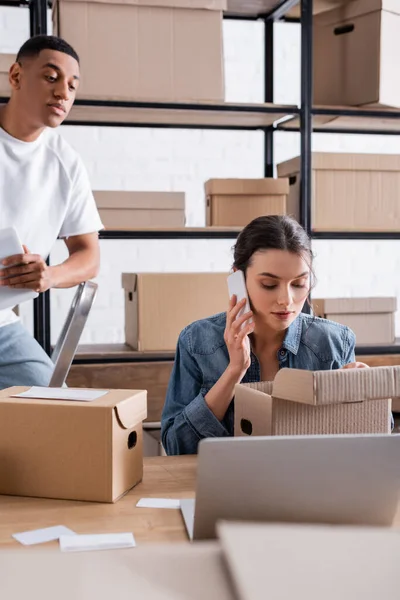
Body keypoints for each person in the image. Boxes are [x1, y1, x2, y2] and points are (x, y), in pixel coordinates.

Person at [161, 215, 368, 456]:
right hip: (227, 488)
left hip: (310, 488)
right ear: (238, 279)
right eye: (269, 284)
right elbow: (176, 446)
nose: (286, 300)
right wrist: (234, 372)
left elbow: (359, 445)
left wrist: (359, 398)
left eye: (299, 283)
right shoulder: (197, 341)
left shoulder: (334, 343)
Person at [0, 35, 103, 389]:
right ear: (15, 77)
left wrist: (49, 276)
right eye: (51, 77)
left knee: (54, 407)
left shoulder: (66, 164)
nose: (63, 93)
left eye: (72, 86)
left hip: (1, 324)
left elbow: (89, 256)